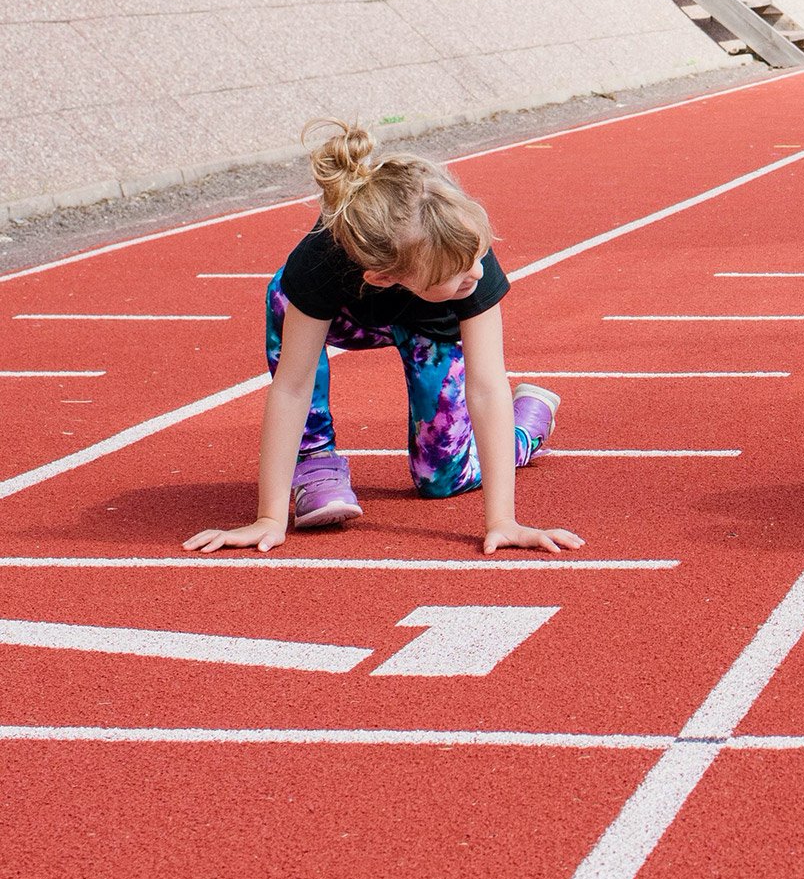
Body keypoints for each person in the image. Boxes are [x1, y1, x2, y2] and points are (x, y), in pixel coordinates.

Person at [186, 120, 578, 557]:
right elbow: (293, 387)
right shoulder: (321, 262)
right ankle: (316, 462)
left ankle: (529, 425)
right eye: (461, 274)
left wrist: (503, 520)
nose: (478, 273)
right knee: (283, 297)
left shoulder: (468, 261)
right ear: (384, 276)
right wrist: (269, 517)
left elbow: (486, 387)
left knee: (443, 479)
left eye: (478, 259)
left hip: (429, 328)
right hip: (347, 315)